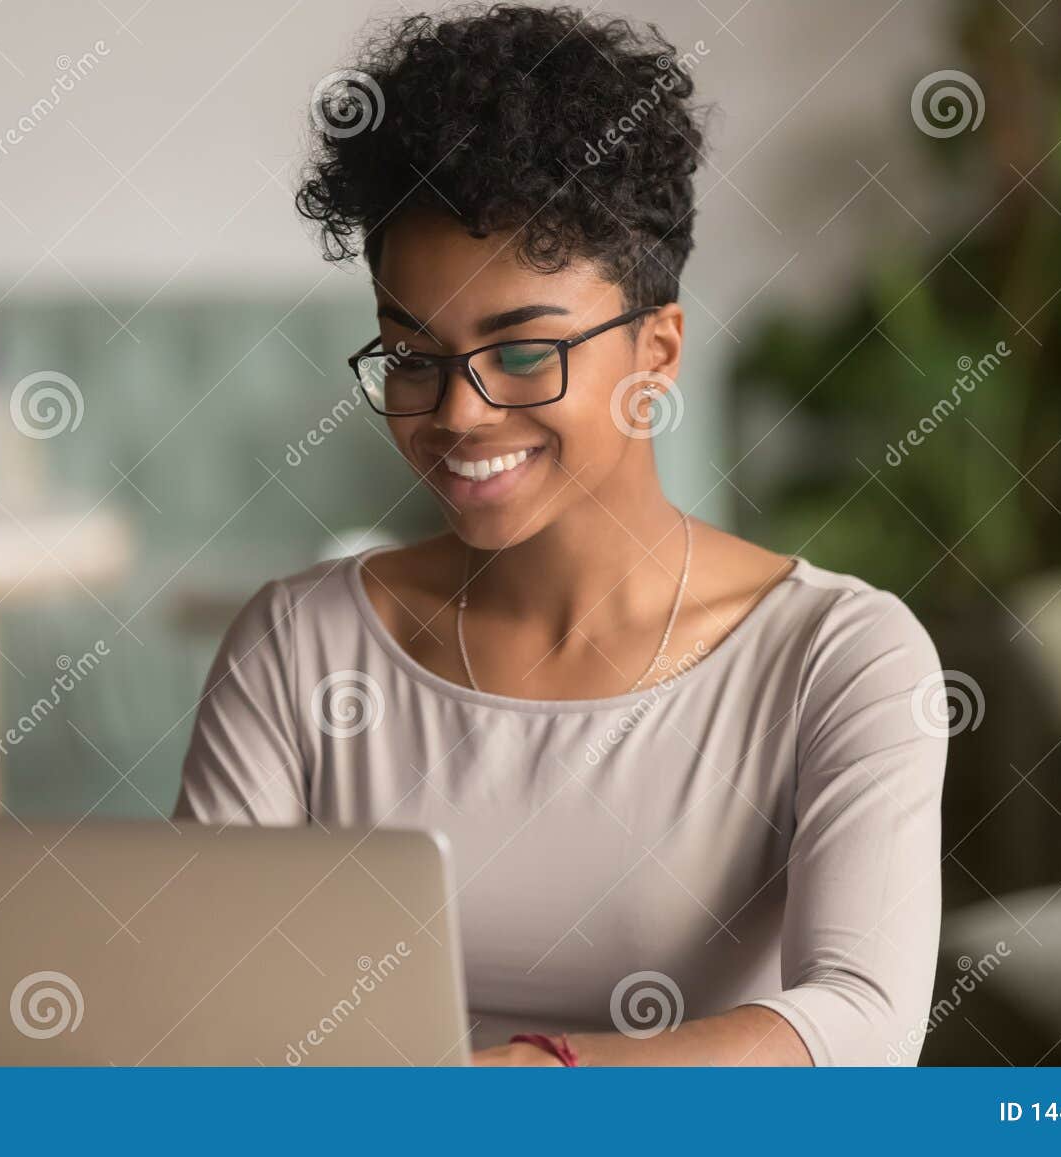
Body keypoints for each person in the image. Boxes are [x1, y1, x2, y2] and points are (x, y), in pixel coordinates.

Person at [175, 3, 946, 1066]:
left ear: (658, 351)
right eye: (412, 356)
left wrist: (516, 1079)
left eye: (525, 351)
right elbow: (203, 1012)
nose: (457, 413)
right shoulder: (298, 648)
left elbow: (861, 1027)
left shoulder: (837, 655)